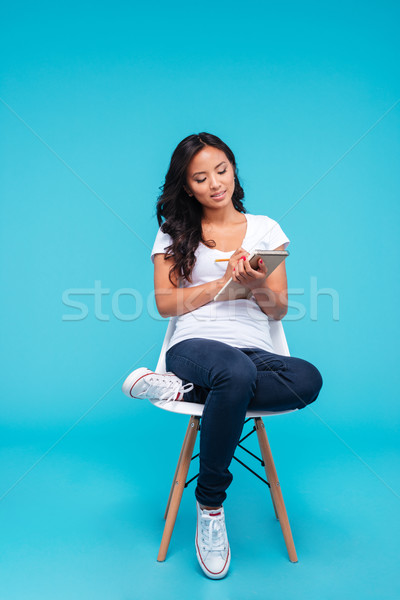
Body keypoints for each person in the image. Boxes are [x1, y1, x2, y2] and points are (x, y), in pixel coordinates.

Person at [122, 132, 323, 579]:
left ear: (233, 169)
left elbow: (280, 309)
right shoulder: (174, 232)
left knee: (307, 379)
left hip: (255, 350)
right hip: (194, 348)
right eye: (200, 177)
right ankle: (210, 505)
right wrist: (221, 285)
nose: (215, 183)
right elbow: (165, 304)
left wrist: (253, 285)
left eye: (221, 170)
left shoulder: (266, 230)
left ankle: (181, 391)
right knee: (233, 371)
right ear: (187, 186)